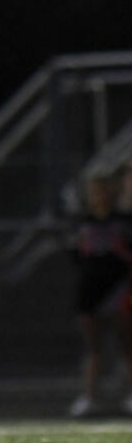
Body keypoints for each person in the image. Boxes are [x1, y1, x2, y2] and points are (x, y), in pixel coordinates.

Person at [67, 172, 132, 417]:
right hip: (90, 290)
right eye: (95, 192)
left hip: (119, 288)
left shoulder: (124, 221)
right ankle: (89, 396)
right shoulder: (83, 223)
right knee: (93, 348)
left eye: (104, 191)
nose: (100, 196)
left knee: (128, 345)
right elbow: (75, 257)